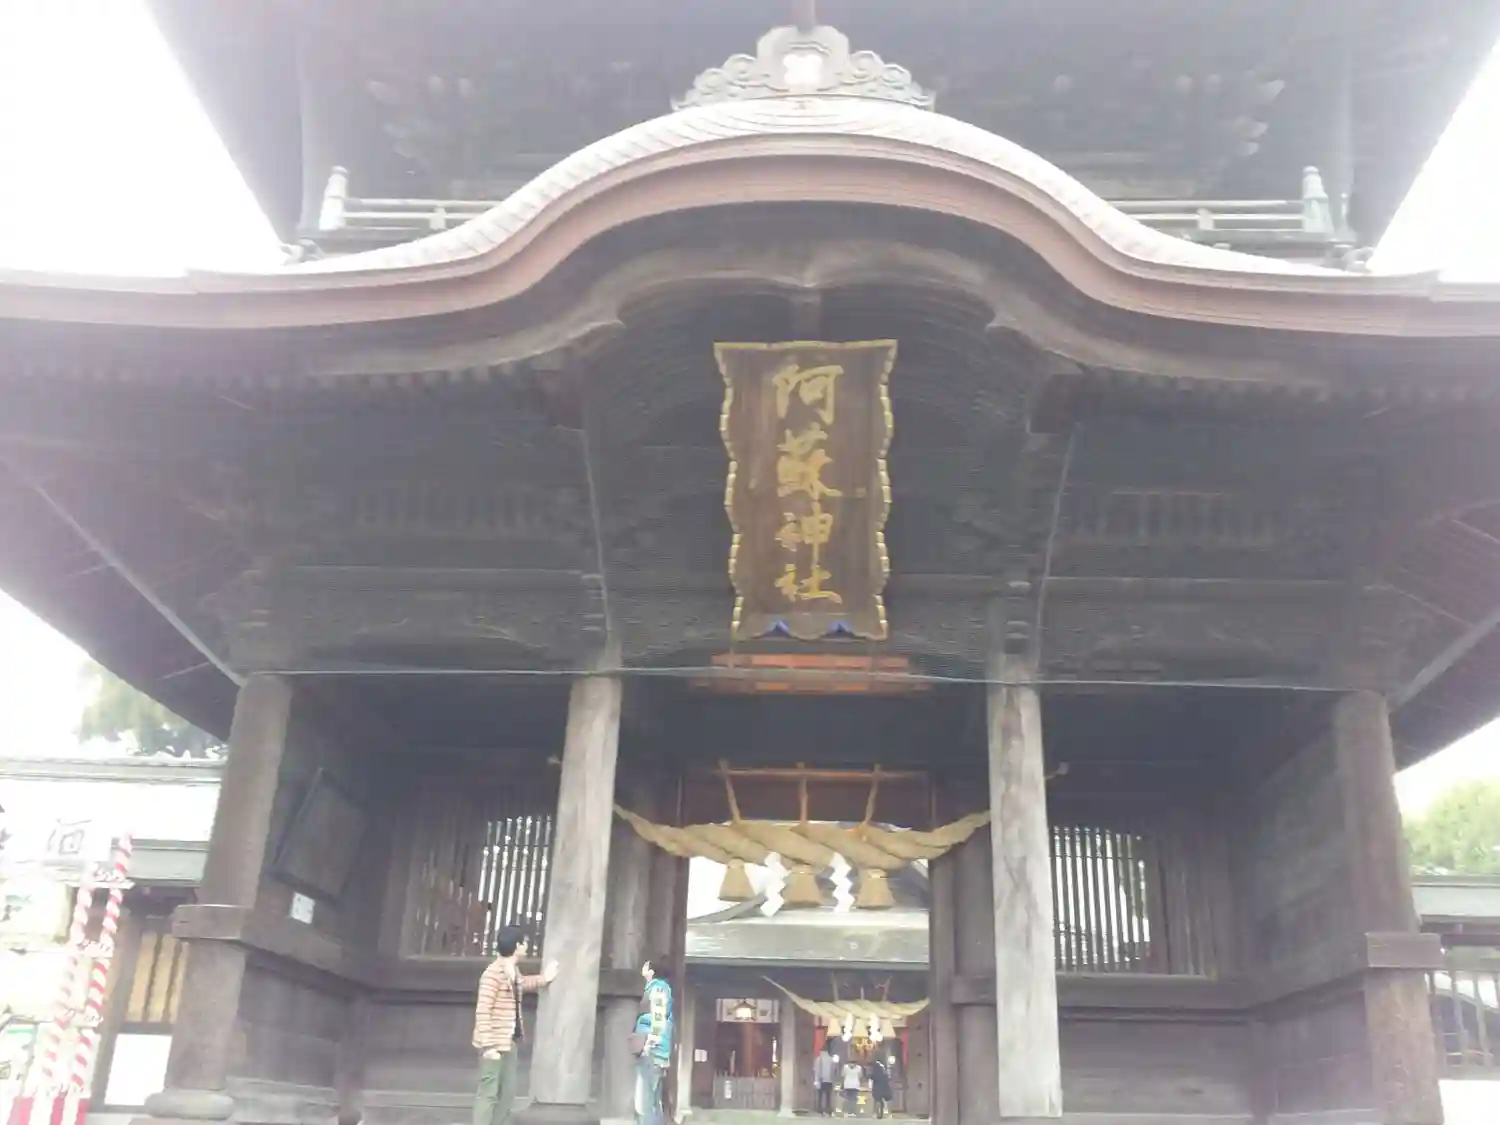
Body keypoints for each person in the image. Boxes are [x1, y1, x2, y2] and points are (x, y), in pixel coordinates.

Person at [472, 927, 558, 1125]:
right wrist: (488, 1046)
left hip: (509, 1041)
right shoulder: (492, 974)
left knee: (507, 1095)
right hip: (493, 1044)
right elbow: (483, 1010)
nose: (527, 947)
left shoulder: (512, 971)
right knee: (488, 1094)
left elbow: (522, 983)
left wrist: (545, 978)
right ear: (517, 945)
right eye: (525, 943)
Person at [634, 954, 674, 1125]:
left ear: (651, 971)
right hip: (657, 1049)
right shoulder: (658, 988)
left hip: (653, 1049)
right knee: (652, 1098)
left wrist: (650, 1043)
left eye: (645, 966)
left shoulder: (657, 989)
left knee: (645, 1100)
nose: (642, 968)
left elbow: (658, 1017)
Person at [813, 1044, 839, 1116]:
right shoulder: (831, 1059)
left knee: (820, 1096)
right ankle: (828, 1110)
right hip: (829, 1080)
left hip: (821, 1080)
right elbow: (835, 1069)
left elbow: (816, 1070)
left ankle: (820, 1110)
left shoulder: (818, 1059)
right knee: (828, 1096)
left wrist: (816, 1080)